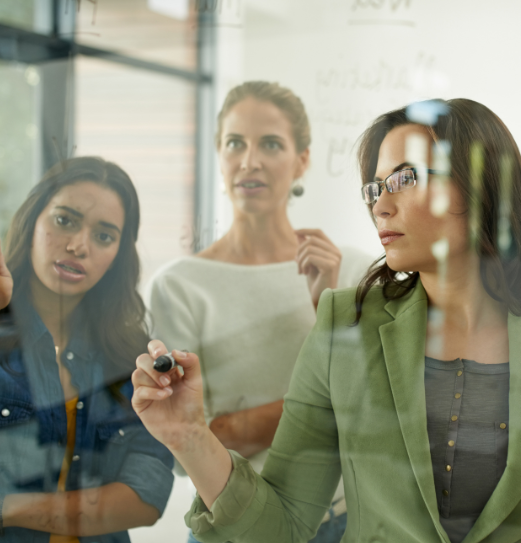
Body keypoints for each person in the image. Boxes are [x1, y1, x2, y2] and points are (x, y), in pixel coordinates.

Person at [134, 98, 521, 543]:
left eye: (403, 179)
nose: (381, 205)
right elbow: (284, 522)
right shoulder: (346, 326)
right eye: (374, 187)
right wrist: (189, 436)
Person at [145, 81, 370, 542]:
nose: (250, 160)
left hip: (346, 526)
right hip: (234, 524)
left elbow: (373, 411)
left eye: (271, 143)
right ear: (219, 155)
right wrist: (327, 399)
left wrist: (324, 307)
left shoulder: (353, 269)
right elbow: (191, 444)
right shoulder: (180, 285)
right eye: (235, 143)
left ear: (302, 159)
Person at [0, 157, 174, 541]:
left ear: (119, 254)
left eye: (104, 236)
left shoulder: (131, 356)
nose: (78, 246)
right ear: (33, 220)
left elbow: (145, 496)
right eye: (64, 220)